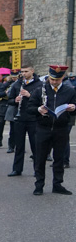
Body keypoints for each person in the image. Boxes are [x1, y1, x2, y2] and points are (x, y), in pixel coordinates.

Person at [26, 65, 76, 195]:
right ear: (49, 77)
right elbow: (30, 108)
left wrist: (73, 108)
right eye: (52, 79)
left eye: (57, 80)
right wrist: (38, 110)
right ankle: (39, 184)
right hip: (43, 128)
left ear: (62, 78)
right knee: (40, 157)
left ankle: (57, 184)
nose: (54, 82)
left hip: (61, 129)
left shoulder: (70, 91)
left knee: (59, 158)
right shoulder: (39, 90)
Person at [7, 65, 42, 176]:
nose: (23, 74)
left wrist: (30, 95)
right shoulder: (17, 84)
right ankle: (17, 169)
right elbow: (9, 100)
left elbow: (43, 101)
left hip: (33, 119)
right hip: (20, 118)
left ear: (32, 71)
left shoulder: (39, 84)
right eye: (22, 72)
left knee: (35, 146)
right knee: (19, 145)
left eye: (26, 71)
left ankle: (37, 170)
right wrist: (15, 100)